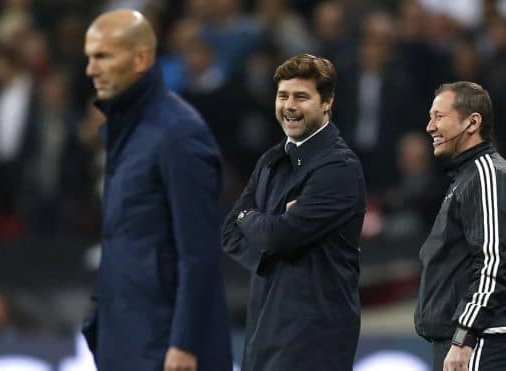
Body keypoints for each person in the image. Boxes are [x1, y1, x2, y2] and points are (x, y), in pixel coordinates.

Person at [81, 9, 232, 371]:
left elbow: (198, 252)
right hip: (126, 343)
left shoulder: (179, 134)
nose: (91, 69)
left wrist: (184, 343)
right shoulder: (125, 133)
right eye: (89, 57)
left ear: (141, 58)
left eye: (103, 56)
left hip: (165, 349)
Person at [221, 54, 366, 371]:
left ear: (326, 102)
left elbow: (279, 235)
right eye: (283, 95)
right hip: (263, 331)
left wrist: (258, 223)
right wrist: (268, 243)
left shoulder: (338, 167)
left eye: (301, 96)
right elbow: (230, 231)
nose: (289, 106)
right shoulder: (271, 160)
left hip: (315, 337)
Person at [414, 81, 506, 371]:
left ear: (472, 122)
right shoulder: (467, 176)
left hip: (476, 339)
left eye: (439, 116)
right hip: (461, 337)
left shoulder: (488, 175)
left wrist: (464, 336)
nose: (430, 126)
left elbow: (493, 263)